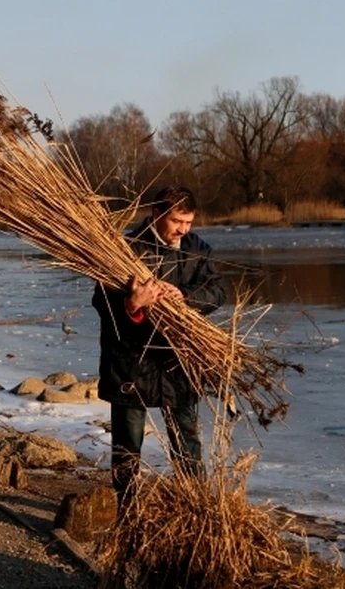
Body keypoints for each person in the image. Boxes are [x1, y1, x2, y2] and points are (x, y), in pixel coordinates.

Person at [91, 185, 226, 507]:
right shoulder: (124, 250)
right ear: (157, 214)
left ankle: (197, 505)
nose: (183, 229)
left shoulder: (197, 250)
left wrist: (186, 298)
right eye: (178, 221)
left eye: (189, 222)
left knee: (187, 441)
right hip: (131, 362)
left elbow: (217, 291)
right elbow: (101, 302)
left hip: (178, 361)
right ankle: (127, 506)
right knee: (127, 444)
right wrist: (132, 304)